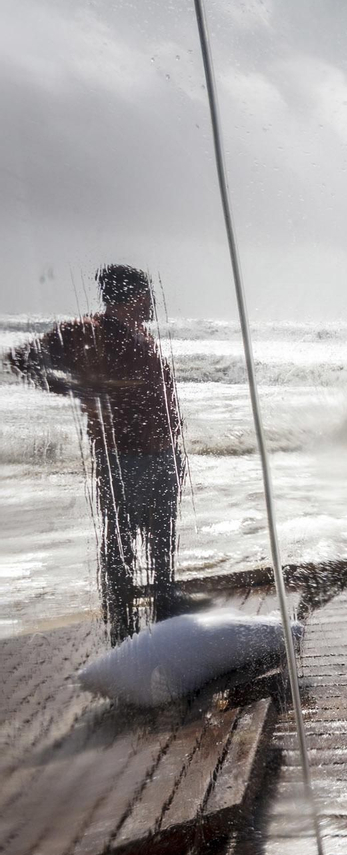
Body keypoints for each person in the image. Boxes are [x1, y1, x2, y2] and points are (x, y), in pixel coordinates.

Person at [5, 265, 187, 642]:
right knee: (121, 545)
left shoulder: (141, 334)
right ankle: (122, 630)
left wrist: (175, 451)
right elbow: (20, 359)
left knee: (162, 541)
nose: (152, 302)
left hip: (160, 455)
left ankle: (165, 617)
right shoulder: (86, 332)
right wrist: (75, 390)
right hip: (123, 458)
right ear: (133, 295)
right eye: (147, 294)